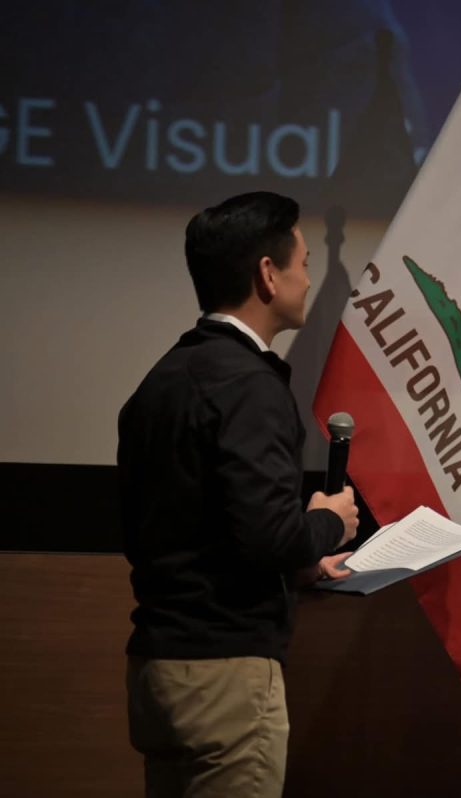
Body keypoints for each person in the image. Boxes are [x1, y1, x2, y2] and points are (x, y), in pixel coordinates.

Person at [118, 191, 359, 797]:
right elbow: (271, 534)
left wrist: (297, 565)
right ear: (267, 274)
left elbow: (189, 529)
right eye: (304, 263)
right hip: (225, 674)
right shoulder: (249, 385)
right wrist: (328, 521)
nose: (309, 280)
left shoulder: (163, 378)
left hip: (158, 666)